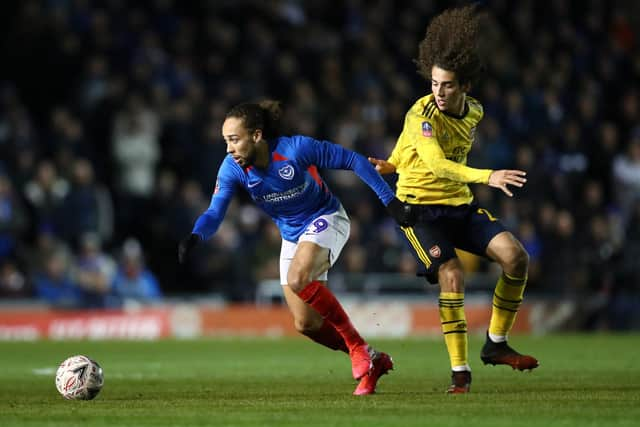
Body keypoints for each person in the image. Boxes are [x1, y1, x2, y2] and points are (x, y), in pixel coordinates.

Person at [178, 100, 406, 395]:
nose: (228, 149)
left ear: (257, 136)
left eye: (234, 140)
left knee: (299, 279)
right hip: (292, 235)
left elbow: (355, 160)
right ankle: (371, 359)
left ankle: (357, 346)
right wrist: (196, 236)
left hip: (327, 217)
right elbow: (214, 212)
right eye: (226, 141)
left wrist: (390, 201)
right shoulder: (232, 168)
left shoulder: (296, 149)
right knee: (306, 323)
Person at [368, 5, 538, 394]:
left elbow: (408, 151)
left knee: (516, 257)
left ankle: (495, 344)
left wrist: (393, 163)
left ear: (464, 87)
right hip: (419, 212)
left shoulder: (474, 112)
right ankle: (460, 371)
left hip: (458, 205)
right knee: (452, 274)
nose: (438, 92)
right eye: (433, 84)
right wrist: (488, 176)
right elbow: (437, 163)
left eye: (446, 85)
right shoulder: (422, 114)